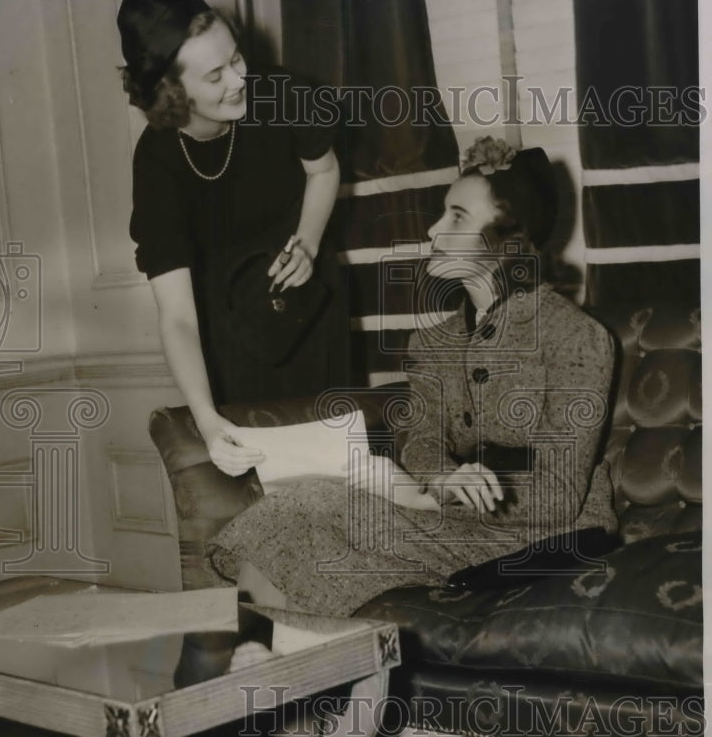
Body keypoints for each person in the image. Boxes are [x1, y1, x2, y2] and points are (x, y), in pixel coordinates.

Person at [211, 136, 619, 615]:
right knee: (292, 512)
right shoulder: (432, 341)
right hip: (461, 526)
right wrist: (443, 478)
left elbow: (559, 496)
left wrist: (447, 498)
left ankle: (294, 682)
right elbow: (420, 441)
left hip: (549, 537)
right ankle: (286, 681)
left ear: (509, 238)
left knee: (301, 521)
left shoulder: (577, 337)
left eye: (457, 217)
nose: (433, 228)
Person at [117, 0, 349, 477]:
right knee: (268, 490)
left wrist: (306, 244)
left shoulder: (282, 94)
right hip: (228, 334)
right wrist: (206, 419)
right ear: (172, 92)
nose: (241, 78)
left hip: (308, 306)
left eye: (237, 58)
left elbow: (324, 170)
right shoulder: (157, 163)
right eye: (216, 74)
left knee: (341, 475)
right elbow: (177, 314)